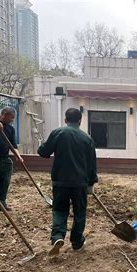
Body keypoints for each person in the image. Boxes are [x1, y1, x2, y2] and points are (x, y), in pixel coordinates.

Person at [38, 108, 98, 255]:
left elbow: (44, 153)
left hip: (60, 181)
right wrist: (92, 182)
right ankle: (77, 242)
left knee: (59, 209)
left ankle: (57, 236)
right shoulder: (87, 138)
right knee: (79, 212)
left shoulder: (58, 133)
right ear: (80, 120)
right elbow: (92, 164)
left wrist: (42, 144)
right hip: (80, 183)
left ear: (65, 120)